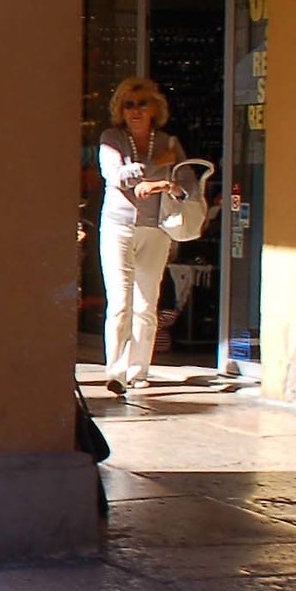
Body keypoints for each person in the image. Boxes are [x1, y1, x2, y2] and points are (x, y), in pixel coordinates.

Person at [96, 76, 185, 395]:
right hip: (118, 226)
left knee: (147, 303)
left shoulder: (169, 143)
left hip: (156, 229)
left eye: (141, 104)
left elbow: (184, 181)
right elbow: (115, 176)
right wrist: (152, 167)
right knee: (120, 302)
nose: (135, 111)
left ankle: (139, 369)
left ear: (155, 109)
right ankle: (116, 370)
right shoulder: (112, 138)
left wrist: (167, 183)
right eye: (128, 105)